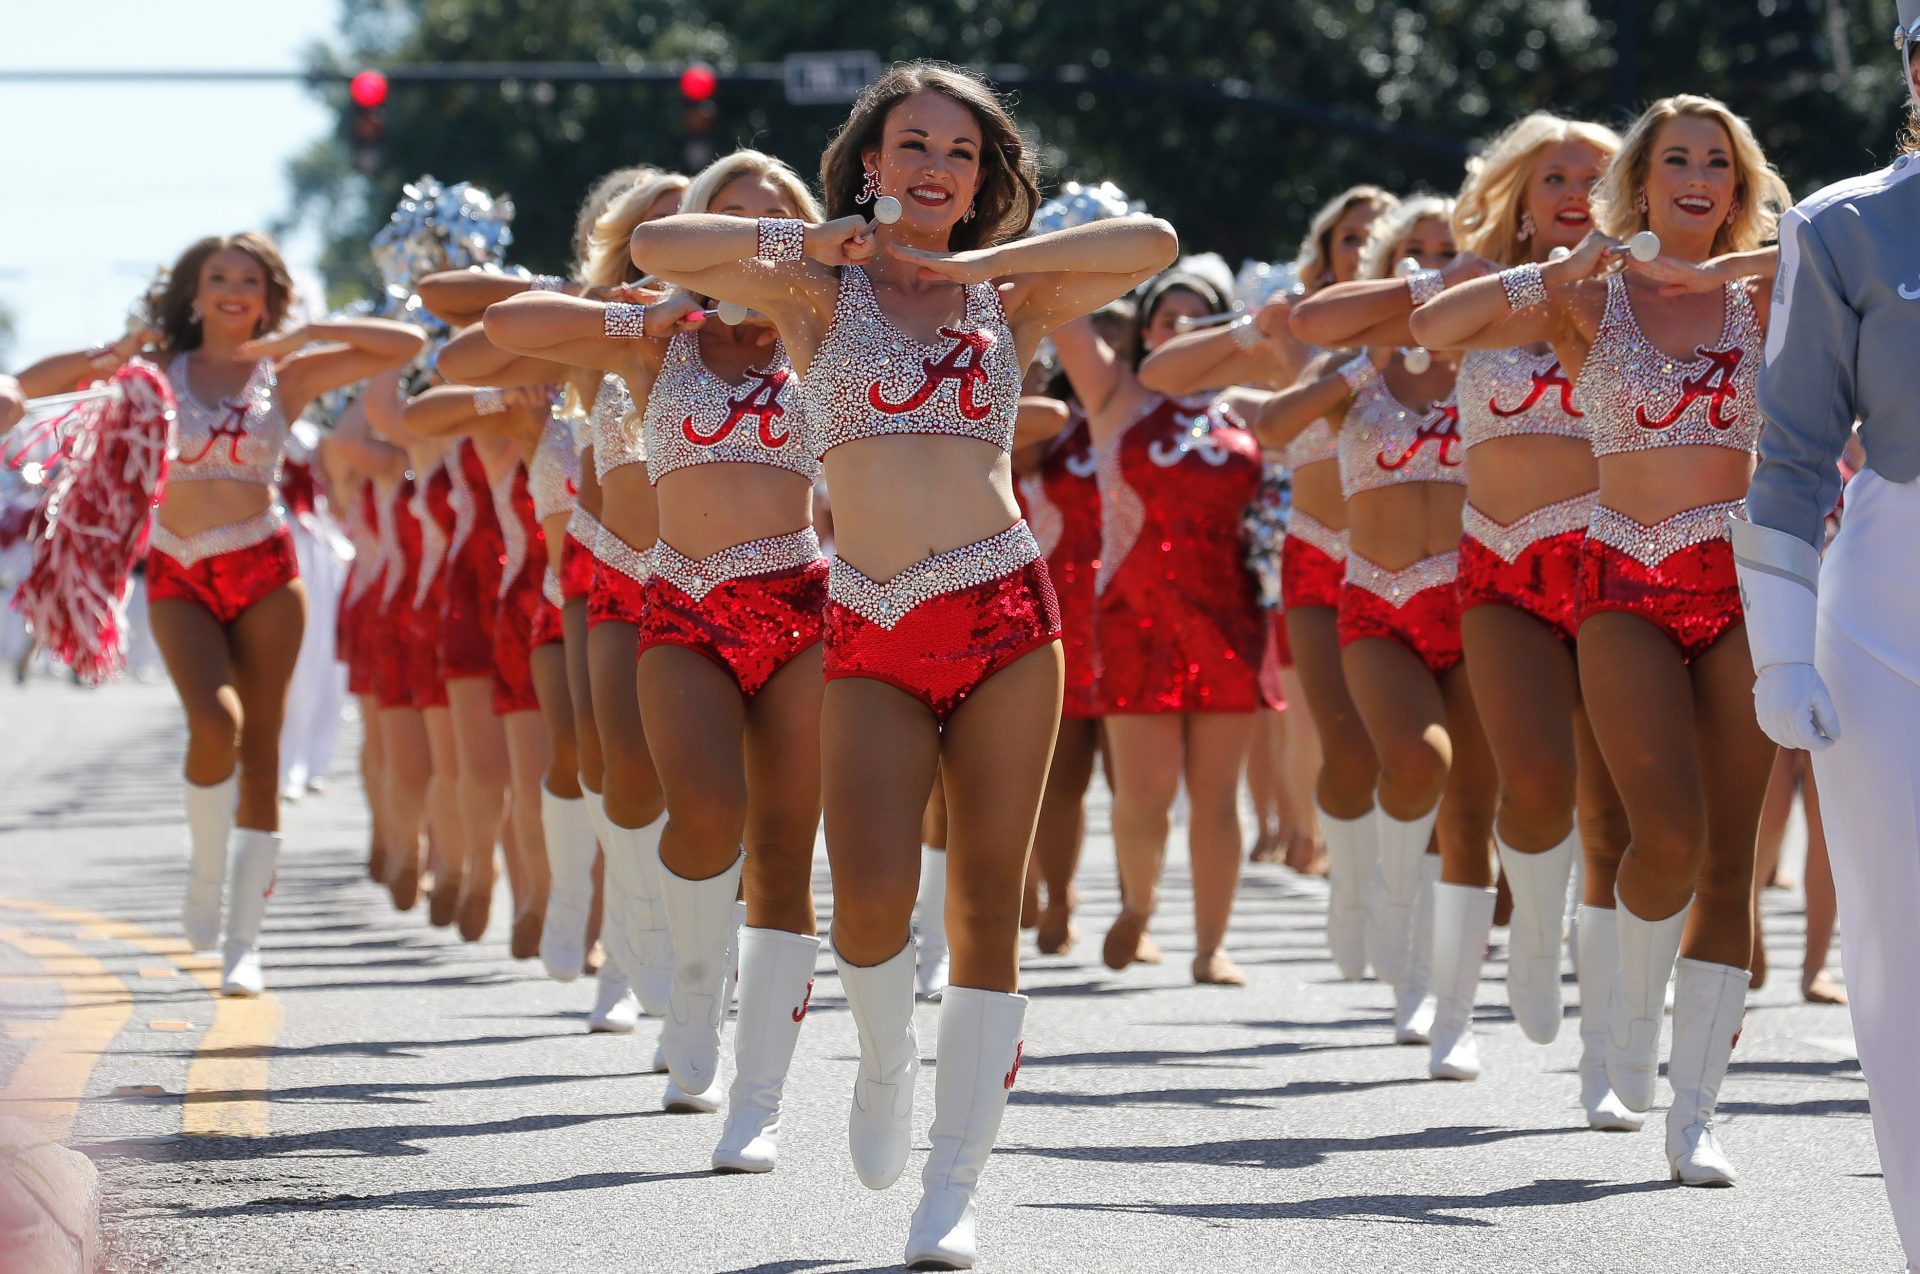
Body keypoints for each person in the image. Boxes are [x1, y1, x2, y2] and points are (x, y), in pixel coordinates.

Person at [631, 61, 1176, 1268]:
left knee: (987, 900)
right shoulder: (812, 297)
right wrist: (815, 237)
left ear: (983, 180)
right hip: (870, 620)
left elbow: (1154, 240)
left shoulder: (1011, 299)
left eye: (963, 153)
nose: (937, 168)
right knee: (869, 905)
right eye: (912, 146)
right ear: (871, 164)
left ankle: (952, 1181)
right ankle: (884, 1061)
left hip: (1003, 613)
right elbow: (665, 240)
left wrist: (974, 267)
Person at [1414, 93, 1790, 1184]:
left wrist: (1727, 274)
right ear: (1642, 178)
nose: (1698, 176)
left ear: (1738, 184)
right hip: (1622, 573)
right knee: (1654, 831)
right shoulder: (1595, 295)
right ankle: (1619, 1029)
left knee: (1728, 861)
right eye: (1676, 157)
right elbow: (1439, 327)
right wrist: (1571, 265)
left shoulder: (1770, 293)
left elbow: (1842, 256)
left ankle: (1694, 1116)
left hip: (1743, 580)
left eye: (1718, 162)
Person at [490, 149, 830, 1172]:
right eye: (734, 217)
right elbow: (509, 329)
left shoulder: (831, 335)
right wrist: (643, 313)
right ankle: (692, 985)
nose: (759, 232)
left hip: (802, 601)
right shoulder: (657, 345)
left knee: (782, 850)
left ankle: (757, 1100)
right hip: (678, 603)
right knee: (705, 812)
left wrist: (812, 268)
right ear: (697, 230)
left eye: (780, 216)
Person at [16, 233, 423, 994]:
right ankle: (206, 872)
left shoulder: (287, 373)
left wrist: (309, 334)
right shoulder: (151, 372)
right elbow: (23, 387)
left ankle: (245, 940)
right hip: (178, 569)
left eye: (249, 279)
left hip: (267, 571)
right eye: (217, 277)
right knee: (214, 725)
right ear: (193, 293)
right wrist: (114, 348)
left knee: (262, 753)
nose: (233, 289)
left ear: (268, 294)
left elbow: (406, 340)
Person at [1734, 6, 1920, 1251]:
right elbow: (1793, 452)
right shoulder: (1841, 223)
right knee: (1904, 942)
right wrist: (1782, 646)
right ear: (1912, 62)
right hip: (1888, 619)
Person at [1142, 186, 1396, 977]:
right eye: (1353, 236)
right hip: (1311, 549)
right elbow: (1163, 371)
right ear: (1326, 252)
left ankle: (1407, 889)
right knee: (1324, 728)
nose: (1367, 247)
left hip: (1432, 556)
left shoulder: (1447, 317)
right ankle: (1329, 855)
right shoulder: (1297, 330)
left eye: (1380, 237)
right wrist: (1253, 327)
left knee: (1421, 738)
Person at [1060, 264, 1277, 986]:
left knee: (1218, 794)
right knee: (1144, 794)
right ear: (1143, 331)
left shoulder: (1243, 406)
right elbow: (1064, 319)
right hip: (1135, 616)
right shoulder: (1115, 395)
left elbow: (1324, 385)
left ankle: (1212, 945)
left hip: (1230, 615)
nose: (1180, 331)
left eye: (1199, 318)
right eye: (1165, 319)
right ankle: (1139, 908)